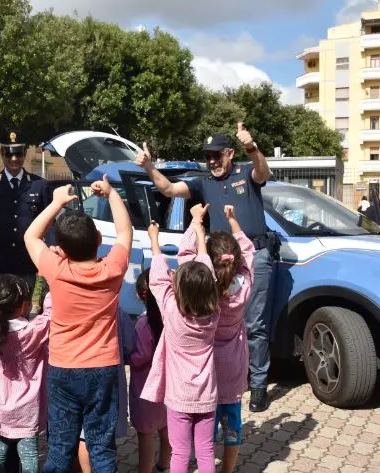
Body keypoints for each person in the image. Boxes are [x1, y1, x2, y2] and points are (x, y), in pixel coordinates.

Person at [136, 124, 277, 412]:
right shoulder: (203, 182)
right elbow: (168, 188)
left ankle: (259, 385)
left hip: (254, 256)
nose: (211, 161)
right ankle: (226, 382)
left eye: (216, 155)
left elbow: (263, 173)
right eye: (208, 156)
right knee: (220, 324)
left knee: (255, 324)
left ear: (230, 153)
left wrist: (253, 148)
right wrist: (150, 167)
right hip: (219, 262)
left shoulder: (244, 172)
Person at [24, 176, 133, 473]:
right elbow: (125, 230)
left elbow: (31, 237)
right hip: (103, 367)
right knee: (101, 448)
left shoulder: (55, 269)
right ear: (99, 240)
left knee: (59, 448)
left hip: (63, 367)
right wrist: (111, 194)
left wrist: (57, 202)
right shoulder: (112, 269)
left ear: (61, 248)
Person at [142, 205, 220, 473]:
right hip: (207, 396)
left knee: (180, 452)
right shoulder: (214, 314)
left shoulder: (172, 313)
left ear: (178, 290)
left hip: (178, 398)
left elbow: (158, 278)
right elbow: (205, 267)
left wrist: (155, 240)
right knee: (207, 449)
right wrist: (198, 230)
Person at [182, 205, 253, 473]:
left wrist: (196, 223)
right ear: (234, 261)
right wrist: (234, 220)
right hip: (233, 368)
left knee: (206, 428)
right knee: (233, 423)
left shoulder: (205, 290)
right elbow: (248, 254)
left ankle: (205, 466)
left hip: (208, 371)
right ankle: (229, 470)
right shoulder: (244, 286)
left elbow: (186, 256)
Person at [0, 271, 50, 473]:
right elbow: (51, 315)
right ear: (24, 306)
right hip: (28, 410)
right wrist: (53, 284)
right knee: (29, 455)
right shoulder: (33, 331)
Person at [0, 131, 47, 291]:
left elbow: (49, 221)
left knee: (23, 310)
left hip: (25, 262)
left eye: (18, 154)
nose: (14, 159)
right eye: (9, 154)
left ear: (25, 153)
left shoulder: (39, 185)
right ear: (2, 154)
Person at [72, 301, 135, 473]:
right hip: (108, 378)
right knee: (105, 431)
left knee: (84, 434)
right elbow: (130, 344)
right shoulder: (116, 310)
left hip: (76, 374)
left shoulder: (71, 307)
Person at [129, 270, 170, 473]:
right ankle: (164, 465)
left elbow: (138, 356)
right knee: (166, 429)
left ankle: (145, 470)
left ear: (139, 295)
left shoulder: (142, 324)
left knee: (145, 434)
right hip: (168, 387)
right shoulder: (171, 320)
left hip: (146, 390)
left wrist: (127, 355)